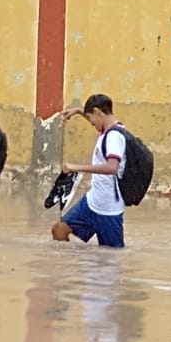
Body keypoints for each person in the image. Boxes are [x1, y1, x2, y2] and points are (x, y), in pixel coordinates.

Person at [50, 94, 128, 249]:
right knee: (59, 230)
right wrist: (80, 111)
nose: (91, 123)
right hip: (92, 201)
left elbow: (112, 167)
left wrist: (76, 168)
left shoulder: (113, 137)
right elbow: (96, 120)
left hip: (108, 209)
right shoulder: (109, 130)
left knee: (112, 255)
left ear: (98, 112)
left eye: (91, 119)